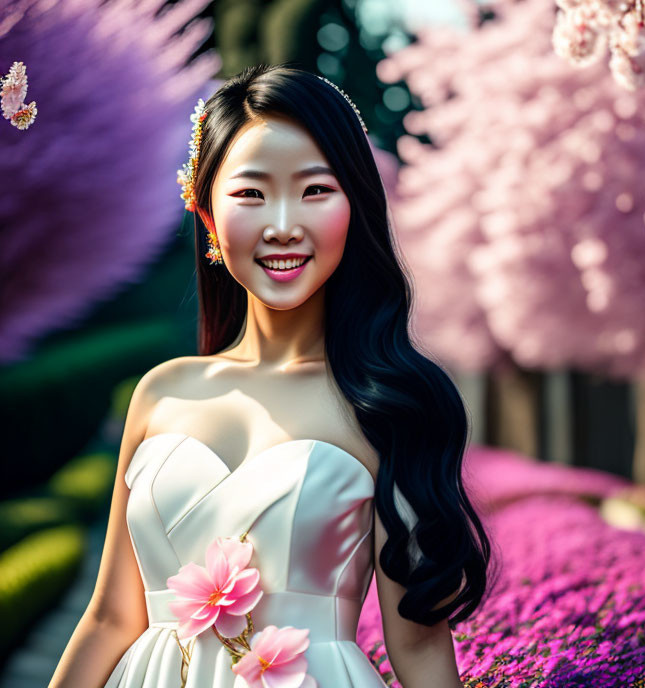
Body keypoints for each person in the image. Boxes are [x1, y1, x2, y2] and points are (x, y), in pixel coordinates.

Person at [49, 62, 493, 688]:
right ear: (207, 218)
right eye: (251, 194)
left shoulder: (388, 405)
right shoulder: (162, 393)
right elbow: (109, 618)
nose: (283, 224)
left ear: (354, 207)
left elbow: (417, 647)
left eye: (314, 191)